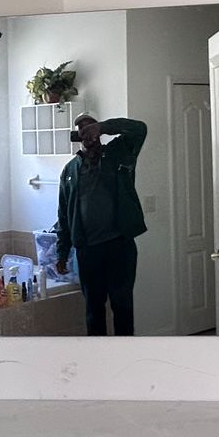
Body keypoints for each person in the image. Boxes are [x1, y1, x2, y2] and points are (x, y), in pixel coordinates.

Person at [53, 115, 148, 335]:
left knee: (122, 308)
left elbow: (140, 128)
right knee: (93, 312)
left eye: (91, 129)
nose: (88, 134)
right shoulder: (70, 171)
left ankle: (126, 361)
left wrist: (104, 127)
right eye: (82, 131)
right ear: (78, 137)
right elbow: (64, 214)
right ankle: (98, 360)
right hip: (87, 252)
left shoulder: (118, 153)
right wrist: (62, 252)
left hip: (119, 247)